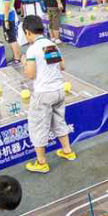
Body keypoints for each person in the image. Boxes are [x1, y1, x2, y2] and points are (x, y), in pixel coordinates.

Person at [21, 15, 77, 174]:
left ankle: (41, 163)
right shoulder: (51, 45)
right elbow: (62, 66)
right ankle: (67, 151)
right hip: (58, 91)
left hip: (43, 94)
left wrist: (25, 63)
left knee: (37, 126)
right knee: (59, 121)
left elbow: (30, 74)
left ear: (28, 32)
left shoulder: (32, 49)